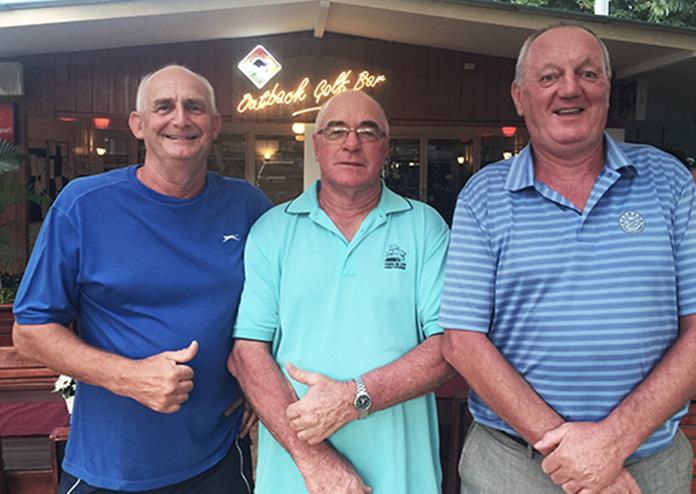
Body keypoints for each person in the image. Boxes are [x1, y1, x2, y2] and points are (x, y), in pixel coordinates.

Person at [440, 23, 696, 494]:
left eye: (588, 73)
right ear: (520, 96)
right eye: (549, 76)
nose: (570, 88)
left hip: (648, 464)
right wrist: (576, 454)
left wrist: (613, 442)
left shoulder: (670, 182)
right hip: (515, 468)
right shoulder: (484, 195)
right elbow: (462, 341)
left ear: (607, 89)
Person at [12, 64, 271, 493]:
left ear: (215, 124)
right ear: (137, 124)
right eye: (163, 107)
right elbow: (30, 331)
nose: (181, 119)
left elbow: (285, 302)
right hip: (110, 466)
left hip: (218, 459)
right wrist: (129, 377)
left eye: (194, 107)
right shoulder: (84, 205)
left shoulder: (248, 206)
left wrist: (262, 380)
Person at [229, 90, 452, 494]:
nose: (351, 143)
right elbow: (248, 353)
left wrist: (354, 398)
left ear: (385, 147)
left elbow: (448, 348)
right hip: (300, 474)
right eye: (336, 131)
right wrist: (316, 461)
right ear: (316, 145)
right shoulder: (272, 230)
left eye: (368, 131)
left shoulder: (425, 227)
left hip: (401, 473)